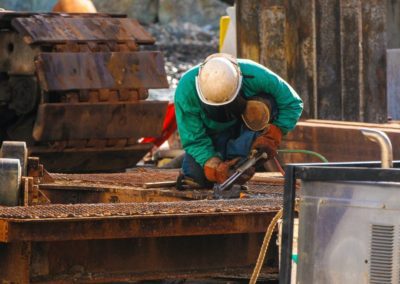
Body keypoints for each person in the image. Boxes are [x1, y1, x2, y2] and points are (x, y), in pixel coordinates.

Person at [174, 53, 303, 188]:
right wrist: (214, 165)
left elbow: (292, 102)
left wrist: (273, 134)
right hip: (211, 134)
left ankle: (239, 158)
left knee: (269, 102)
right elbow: (194, 139)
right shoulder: (186, 90)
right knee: (197, 179)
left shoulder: (254, 74)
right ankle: (227, 164)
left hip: (247, 126)